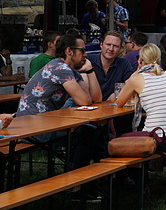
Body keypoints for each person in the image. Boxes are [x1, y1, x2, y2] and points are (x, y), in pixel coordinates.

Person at [17, 34, 102, 173]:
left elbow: (95, 98)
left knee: (92, 132)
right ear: (69, 51)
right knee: (88, 134)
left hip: (44, 124)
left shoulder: (69, 71)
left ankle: (85, 180)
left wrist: (90, 70)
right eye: (82, 50)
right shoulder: (60, 69)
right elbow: (85, 101)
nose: (85, 54)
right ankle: (76, 184)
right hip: (31, 129)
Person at [115, 44, 166, 185]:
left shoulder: (137, 79)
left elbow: (120, 101)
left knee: (156, 143)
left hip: (159, 137)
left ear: (140, 60)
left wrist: (137, 71)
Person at [87, 31, 134, 101]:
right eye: (108, 44)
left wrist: (116, 94)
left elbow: (131, 85)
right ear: (101, 45)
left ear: (120, 48)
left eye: (115, 46)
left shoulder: (124, 63)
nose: (111, 49)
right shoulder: (89, 61)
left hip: (112, 107)